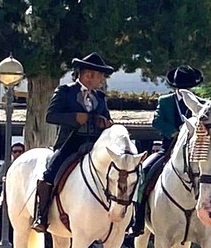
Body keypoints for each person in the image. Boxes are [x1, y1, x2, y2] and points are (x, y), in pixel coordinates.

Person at [32, 53, 114, 232]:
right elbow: (51, 116)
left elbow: (109, 119)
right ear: (88, 75)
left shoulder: (100, 97)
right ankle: (42, 215)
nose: (101, 80)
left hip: (96, 143)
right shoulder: (65, 92)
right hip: (71, 142)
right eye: (100, 75)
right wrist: (75, 118)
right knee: (51, 172)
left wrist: (106, 123)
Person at [128, 65, 202, 238]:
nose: (185, 89)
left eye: (188, 86)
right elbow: (157, 122)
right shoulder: (165, 101)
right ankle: (138, 220)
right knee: (144, 172)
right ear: (175, 86)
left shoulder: (200, 103)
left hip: (193, 150)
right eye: (182, 86)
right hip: (168, 147)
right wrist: (175, 132)